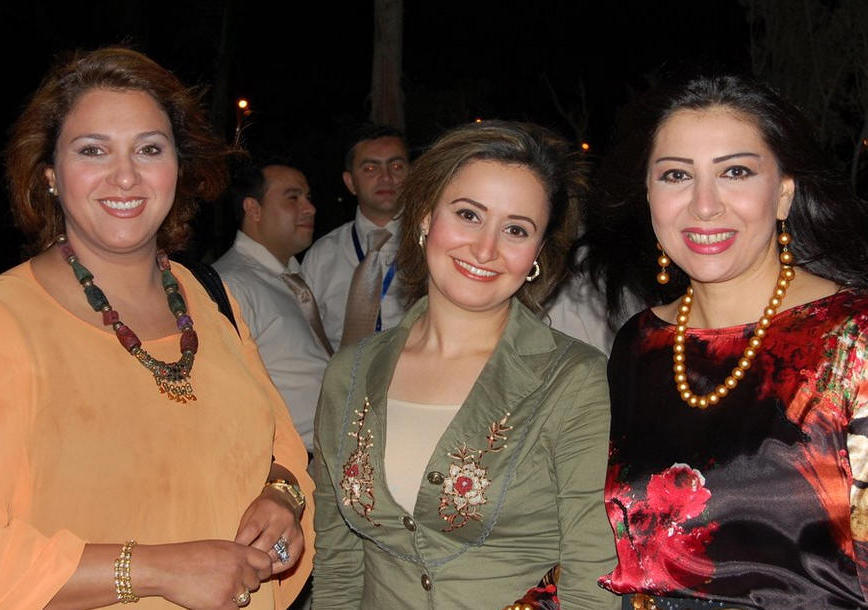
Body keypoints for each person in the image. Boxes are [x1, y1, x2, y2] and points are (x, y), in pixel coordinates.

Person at [0, 46, 313, 609]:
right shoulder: (0, 322)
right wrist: (157, 570)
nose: (125, 175)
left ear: (178, 168)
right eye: (93, 150)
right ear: (51, 175)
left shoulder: (211, 299)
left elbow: (281, 446)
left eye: (149, 149)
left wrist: (282, 497)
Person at [580, 74, 868, 608]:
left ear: (784, 194)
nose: (705, 205)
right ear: (649, 195)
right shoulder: (640, 344)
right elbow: (615, 552)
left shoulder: (853, 337)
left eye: (735, 172)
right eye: (676, 175)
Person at [312, 120, 619, 608]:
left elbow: (592, 573)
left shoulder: (573, 380)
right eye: (469, 215)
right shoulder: (349, 374)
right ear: (425, 217)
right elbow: (338, 562)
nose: (485, 249)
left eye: (515, 229)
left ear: (537, 254)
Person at [214, 161, 331, 456]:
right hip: (286, 462)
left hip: (324, 455)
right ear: (253, 209)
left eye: (308, 197)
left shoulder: (293, 277)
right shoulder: (231, 285)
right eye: (293, 198)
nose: (310, 208)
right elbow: (223, 395)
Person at [300, 124, 409, 350]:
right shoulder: (323, 254)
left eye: (396, 166)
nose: (386, 177)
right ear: (350, 182)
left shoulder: (434, 245)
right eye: (370, 168)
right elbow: (305, 337)